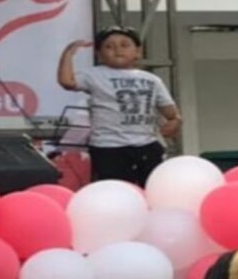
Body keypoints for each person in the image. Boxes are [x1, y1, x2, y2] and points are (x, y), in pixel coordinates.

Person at [57, 25, 181, 186]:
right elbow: (67, 82)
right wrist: (68, 55)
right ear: (99, 54)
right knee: (114, 189)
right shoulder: (94, 74)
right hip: (108, 146)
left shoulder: (152, 79)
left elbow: (171, 112)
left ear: (138, 52)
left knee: (153, 186)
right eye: (109, 47)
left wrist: (175, 121)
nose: (117, 50)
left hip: (147, 144)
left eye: (125, 45)